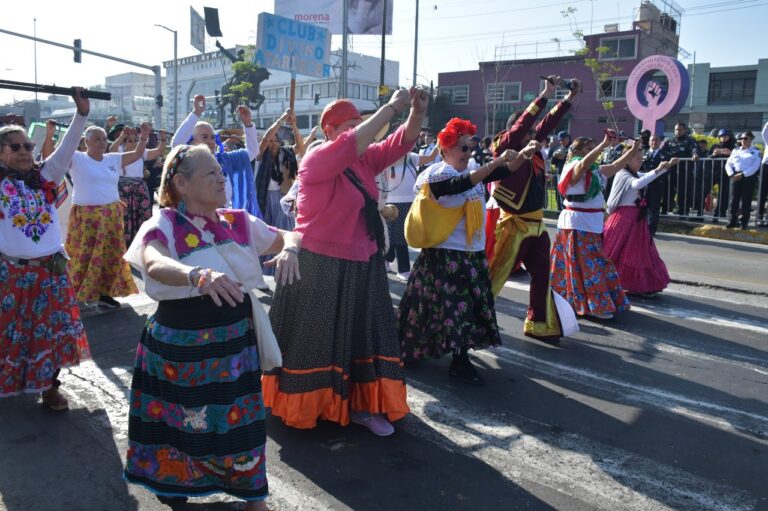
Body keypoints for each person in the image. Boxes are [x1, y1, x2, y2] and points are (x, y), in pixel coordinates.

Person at [123, 144, 301, 510]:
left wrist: (290, 249)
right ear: (181, 184)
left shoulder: (238, 221)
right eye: (211, 174)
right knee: (178, 424)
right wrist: (197, 274)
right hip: (177, 348)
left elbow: (290, 234)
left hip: (233, 343)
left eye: (221, 172)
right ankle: (173, 485)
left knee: (243, 423)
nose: (222, 178)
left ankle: (254, 497)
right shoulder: (164, 223)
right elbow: (154, 262)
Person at [264, 88, 428, 436]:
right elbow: (359, 139)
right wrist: (389, 108)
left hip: (363, 263)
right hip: (319, 265)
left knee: (364, 340)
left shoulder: (364, 160)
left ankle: (361, 406)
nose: (362, 130)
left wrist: (416, 112)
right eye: (352, 125)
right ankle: (311, 404)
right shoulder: (317, 158)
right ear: (330, 130)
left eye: (361, 123)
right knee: (314, 344)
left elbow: (401, 142)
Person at [397, 117, 535, 385]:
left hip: (469, 255)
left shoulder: (467, 172)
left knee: (464, 311)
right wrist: (495, 162)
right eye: (462, 148)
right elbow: (458, 186)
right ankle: (414, 351)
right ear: (445, 149)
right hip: (444, 257)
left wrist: (523, 155)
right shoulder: (438, 175)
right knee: (433, 310)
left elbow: (501, 173)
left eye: (470, 148)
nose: (468, 153)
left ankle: (459, 360)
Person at [0, 89, 91, 410]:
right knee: (13, 334)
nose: (26, 151)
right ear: (1, 152)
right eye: (16, 146)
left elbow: (66, 151)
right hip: (12, 275)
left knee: (52, 332)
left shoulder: (44, 176)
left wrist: (81, 116)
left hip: (52, 271)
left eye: (28, 145)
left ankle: (50, 386)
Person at [488, 75, 579, 341]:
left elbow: (546, 124)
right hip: (513, 225)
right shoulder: (504, 146)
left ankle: (538, 323)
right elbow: (521, 128)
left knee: (542, 276)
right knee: (493, 277)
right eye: (528, 132)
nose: (534, 135)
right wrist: (544, 95)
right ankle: (468, 317)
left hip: (536, 226)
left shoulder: (532, 146)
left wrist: (567, 99)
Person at [550, 133, 637, 320]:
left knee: (592, 265)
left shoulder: (595, 169)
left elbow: (614, 167)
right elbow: (581, 167)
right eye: (589, 149)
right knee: (589, 266)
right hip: (577, 223)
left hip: (591, 223)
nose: (593, 152)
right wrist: (604, 144)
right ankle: (592, 305)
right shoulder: (573, 165)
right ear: (578, 151)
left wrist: (632, 151)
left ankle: (586, 303)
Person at [66, 123, 148, 309]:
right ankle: (76, 293)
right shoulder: (76, 158)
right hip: (87, 217)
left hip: (111, 216)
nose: (102, 142)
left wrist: (143, 137)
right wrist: (50, 134)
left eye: (104, 139)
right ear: (86, 142)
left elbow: (136, 154)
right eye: (97, 139)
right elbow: (51, 155)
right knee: (83, 256)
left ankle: (104, 294)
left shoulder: (112, 159)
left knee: (109, 256)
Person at [172, 94, 262, 219]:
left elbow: (252, 152)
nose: (210, 141)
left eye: (213, 137)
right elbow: (176, 143)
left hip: (222, 218)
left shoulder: (225, 160)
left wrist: (247, 124)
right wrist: (196, 113)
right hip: (193, 219)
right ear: (191, 141)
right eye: (204, 137)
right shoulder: (188, 160)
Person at [604, 147, 678, 297]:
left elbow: (644, 177)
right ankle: (608, 280)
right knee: (616, 250)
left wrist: (665, 167)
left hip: (636, 218)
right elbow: (637, 184)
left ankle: (637, 284)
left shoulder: (633, 173)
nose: (641, 161)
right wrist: (658, 170)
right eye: (638, 159)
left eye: (641, 158)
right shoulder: (622, 173)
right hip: (624, 217)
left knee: (638, 251)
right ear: (628, 159)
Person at [384, 147, 438, 279]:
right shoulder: (387, 156)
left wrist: (440, 143)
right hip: (393, 203)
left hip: (411, 201)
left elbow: (430, 158)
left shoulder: (411, 157)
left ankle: (386, 259)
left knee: (397, 234)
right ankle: (403, 269)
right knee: (399, 235)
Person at [110, 126, 167, 247]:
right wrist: (122, 136)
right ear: (124, 142)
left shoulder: (141, 152)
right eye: (129, 141)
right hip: (123, 190)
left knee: (143, 216)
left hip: (139, 189)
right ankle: (124, 245)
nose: (133, 143)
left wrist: (163, 139)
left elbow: (158, 151)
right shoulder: (119, 152)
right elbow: (111, 149)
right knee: (125, 217)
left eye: (135, 140)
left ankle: (143, 243)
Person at [661, 122, 700, 216]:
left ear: (685, 130)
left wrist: (695, 154)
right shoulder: (669, 141)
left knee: (683, 192)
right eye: (676, 129)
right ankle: (665, 210)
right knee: (668, 191)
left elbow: (694, 149)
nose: (678, 131)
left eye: (680, 129)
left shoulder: (690, 140)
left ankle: (683, 211)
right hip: (671, 170)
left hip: (684, 171)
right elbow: (662, 152)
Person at [725, 131, 762, 229]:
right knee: (733, 200)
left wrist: (743, 174)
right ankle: (732, 220)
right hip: (735, 176)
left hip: (748, 177)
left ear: (751, 139)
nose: (743, 140)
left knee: (746, 200)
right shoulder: (735, 150)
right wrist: (731, 174)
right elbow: (729, 163)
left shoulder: (756, 151)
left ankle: (744, 222)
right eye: (741, 138)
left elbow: (755, 166)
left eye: (745, 138)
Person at [709, 129, 736, 224]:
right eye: (722, 136)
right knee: (704, 190)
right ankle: (699, 211)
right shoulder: (715, 146)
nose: (723, 138)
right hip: (714, 172)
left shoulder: (733, 147)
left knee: (723, 194)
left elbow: (738, 159)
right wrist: (713, 154)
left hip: (726, 174)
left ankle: (718, 213)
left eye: (726, 136)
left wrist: (730, 153)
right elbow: (708, 158)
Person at [643, 134, 666, 236]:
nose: (654, 142)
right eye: (652, 140)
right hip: (644, 184)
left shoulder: (664, 155)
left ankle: (651, 230)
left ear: (660, 142)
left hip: (656, 185)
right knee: (642, 207)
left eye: (656, 140)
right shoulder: (644, 154)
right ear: (649, 142)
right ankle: (642, 229)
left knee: (654, 209)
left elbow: (666, 171)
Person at [757, 121, 768, 227]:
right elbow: (765, 130)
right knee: (762, 193)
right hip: (766, 166)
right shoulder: (767, 140)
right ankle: (759, 217)